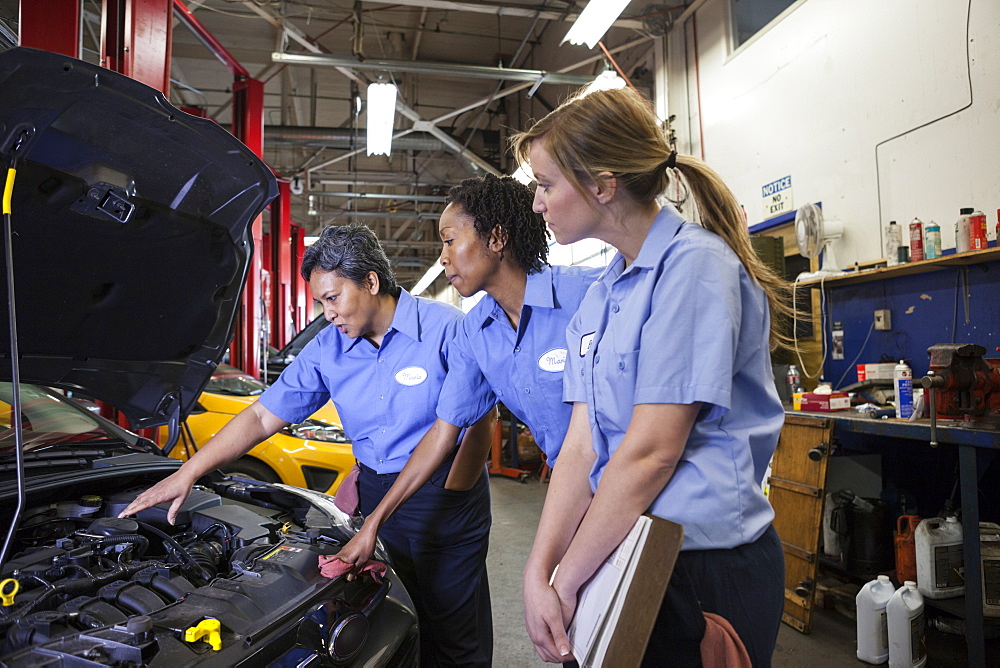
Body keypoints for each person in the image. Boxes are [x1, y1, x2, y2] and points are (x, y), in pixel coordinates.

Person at [119, 222, 497, 666]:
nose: (327, 313)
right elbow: (262, 415)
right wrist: (188, 472)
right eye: (320, 302)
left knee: (455, 630)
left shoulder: (447, 329)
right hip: (377, 494)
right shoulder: (328, 349)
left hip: (445, 495)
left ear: (371, 282)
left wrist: (455, 486)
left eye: (332, 298)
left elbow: (481, 416)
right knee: (397, 615)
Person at [511, 87, 795, 666]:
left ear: (602, 185)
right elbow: (579, 446)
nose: (537, 204)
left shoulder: (694, 269)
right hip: (622, 547)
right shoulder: (603, 293)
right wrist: (541, 570)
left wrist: (566, 583)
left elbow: (650, 454)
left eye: (545, 186)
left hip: (702, 565)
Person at [333, 173, 602, 577]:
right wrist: (373, 522)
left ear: (495, 239)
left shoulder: (590, 296)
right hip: (576, 500)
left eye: (449, 240)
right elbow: (444, 433)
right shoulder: (474, 333)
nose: (443, 257)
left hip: (643, 489)